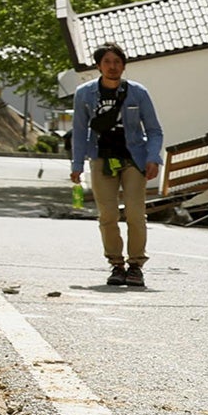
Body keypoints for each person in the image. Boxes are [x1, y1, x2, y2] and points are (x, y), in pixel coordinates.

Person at [69, 43, 164, 288]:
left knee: (134, 213)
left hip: (133, 158)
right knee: (108, 215)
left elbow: (154, 130)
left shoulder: (138, 92)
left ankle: (135, 265)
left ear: (123, 65)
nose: (113, 67)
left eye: (117, 62)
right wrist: (77, 164)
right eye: (107, 62)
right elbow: (79, 131)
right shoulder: (85, 93)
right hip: (101, 158)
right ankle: (116, 264)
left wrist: (153, 157)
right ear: (99, 66)